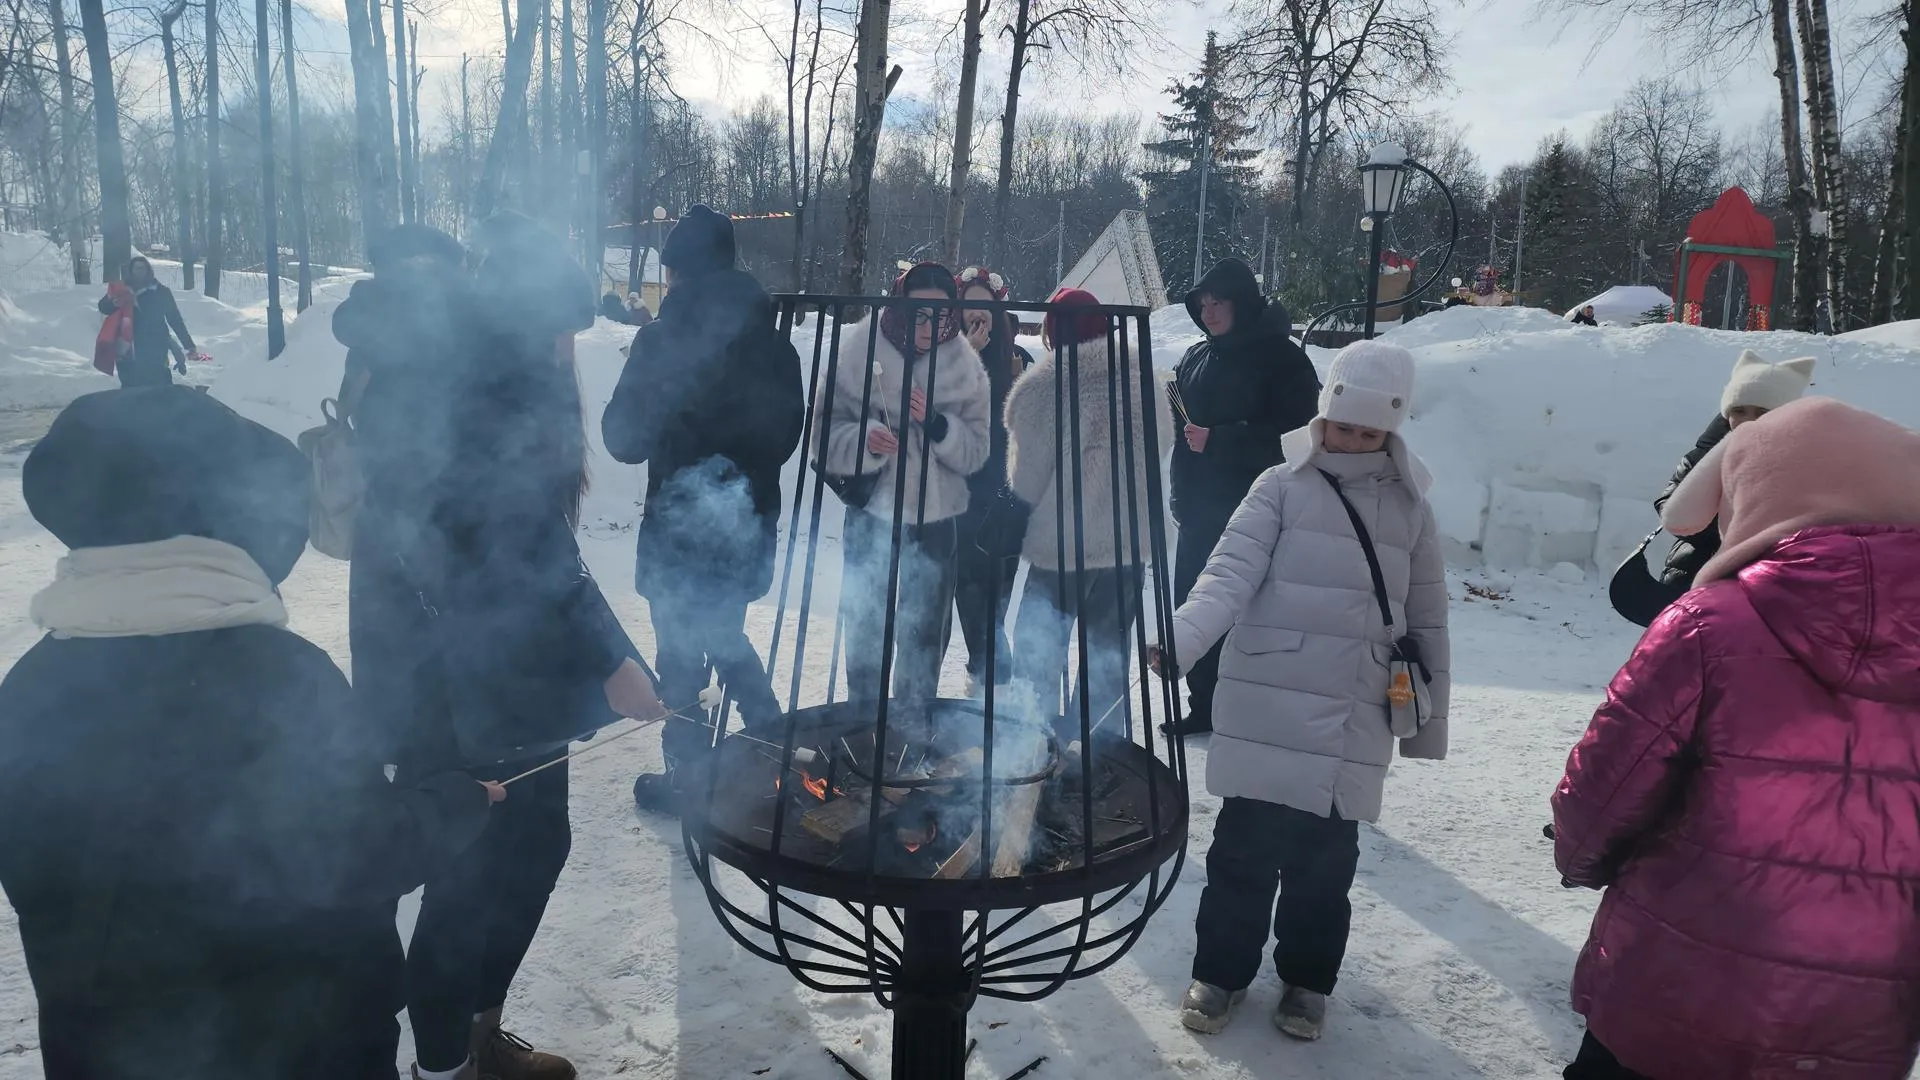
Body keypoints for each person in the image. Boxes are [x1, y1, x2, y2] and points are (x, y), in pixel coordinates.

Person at [0, 386, 500, 1079]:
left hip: (105, 1049)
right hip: (303, 1046)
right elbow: (355, 854)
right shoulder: (281, 679)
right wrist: (455, 801)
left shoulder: (29, 690)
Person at [345, 215, 663, 1080]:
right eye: (558, 330)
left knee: (534, 848)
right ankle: (445, 1064)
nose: (569, 350)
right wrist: (613, 659)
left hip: (496, 667)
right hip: (446, 677)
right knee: (469, 877)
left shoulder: (490, 384)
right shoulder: (472, 396)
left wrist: (614, 655)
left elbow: (541, 555)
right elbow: (528, 550)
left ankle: (479, 1035)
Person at [1554, 396, 1920, 1080]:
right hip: (1849, 1029)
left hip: (1669, 991)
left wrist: (1579, 862)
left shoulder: (1710, 625)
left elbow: (1604, 790)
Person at [1154, 340, 1449, 1042]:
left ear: (1391, 431)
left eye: (1369, 431)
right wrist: (1181, 639)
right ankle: (1220, 975)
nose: (1352, 440)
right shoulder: (1279, 486)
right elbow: (1227, 573)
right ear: (1324, 417)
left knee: (1325, 867)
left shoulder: (1411, 508)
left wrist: (1427, 728)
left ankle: (1308, 982)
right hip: (1270, 695)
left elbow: (1428, 619)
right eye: (1344, 425)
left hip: (1355, 707)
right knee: (1242, 856)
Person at [602, 204, 805, 814]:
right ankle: (774, 749)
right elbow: (784, 439)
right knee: (723, 630)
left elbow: (622, 440)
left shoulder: (661, 341)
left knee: (684, 655)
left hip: (678, 534)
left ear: (678, 272)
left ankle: (690, 780)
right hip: (745, 530)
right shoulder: (774, 347)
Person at [815, 262, 991, 706]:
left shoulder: (963, 363)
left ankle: (912, 727)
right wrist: (863, 440)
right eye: (919, 314)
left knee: (926, 629)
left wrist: (937, 426)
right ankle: (864, 722)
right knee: (867, 621)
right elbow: (819, 432)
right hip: (873, 512)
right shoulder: (860, 346)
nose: (930, 327)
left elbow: (978, 448)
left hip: (936, 517)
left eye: (940, 315)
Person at [1166, 257, 1322, 737]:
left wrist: (1222, 440)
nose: (1209, 312)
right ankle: (1204, 704)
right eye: (1203, 303)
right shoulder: (1198, 355)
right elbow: (1183, 433)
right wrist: (1180, 490)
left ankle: (1250, 711)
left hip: (1259, 509)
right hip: (1200, 508)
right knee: (1194, 603)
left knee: (1251, 614)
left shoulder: (1283, 359)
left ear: (1243, 303)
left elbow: (1301, 437)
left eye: (1219, 302)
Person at [1005, 287, 1163, 733]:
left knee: (1038, 659)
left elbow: (1026, 483)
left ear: (1053, 332)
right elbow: (1160, 451)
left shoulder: (1042, 388)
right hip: (1126, 548)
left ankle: (1029, 756)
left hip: (1061, 547)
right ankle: (1099, 762)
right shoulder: (1141, 381)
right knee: (1106, 662)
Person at [1652, 350, 1814, 589]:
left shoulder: (1805, 462)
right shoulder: (1703, 454)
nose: (1748, 420)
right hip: (1692, 571)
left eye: (1762, 412)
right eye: (1739, 410)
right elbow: (1668, 502)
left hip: (1763, 581)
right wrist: (1721, 530)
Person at [950, 264, 1032, 694]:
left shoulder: (1018, 359)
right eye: (968, 305)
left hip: (1007, 491)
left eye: (985, 305)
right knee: (969, 588)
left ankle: (989, 675)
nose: (976, 314)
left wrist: (1018, 385)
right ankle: (992, 674)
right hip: (964, 492)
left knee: (999, 591)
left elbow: (1026, 427)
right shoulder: (948, 356)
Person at [96, 255, 196, 388]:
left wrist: (188, 344)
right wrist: (114, 303)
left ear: (149, 270)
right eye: (136, 268)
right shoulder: (121, 290)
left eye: (143, 268)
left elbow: (175, 319)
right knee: (130, 386)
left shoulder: (161, 292)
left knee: (160, 385)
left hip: (155, 347)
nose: (140, 271)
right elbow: (103, 307)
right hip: (127, 347)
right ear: (130, 271)